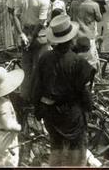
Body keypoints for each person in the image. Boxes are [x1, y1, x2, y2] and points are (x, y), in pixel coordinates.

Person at [31, 15, 95, 166]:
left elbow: (37, 88)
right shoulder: (78, 62)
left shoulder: (45, 58)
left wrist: (38, 110)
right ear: (71, 39)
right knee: (77, 154)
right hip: (72, 115)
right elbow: (83, 91)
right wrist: (89, 106)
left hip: (51, 114)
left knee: (57, 151)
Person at [15, 0, 51, 102]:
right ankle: (36, 96)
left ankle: (25, 96)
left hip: (25, 32)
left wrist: (22, 35)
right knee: (40, 67)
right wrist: (31, 37)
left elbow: (15, 16)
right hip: (39, 36)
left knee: (26, 67)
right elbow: (41, 22)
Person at [0, 67, 24, 166]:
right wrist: (19, 128)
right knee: (10, 161)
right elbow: (8, 125)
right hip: (7, 136)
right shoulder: (3, 104)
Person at [70, 0, 102, 69]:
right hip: (89, 36)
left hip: (76, 36)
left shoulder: (73, 3)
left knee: (77, 60)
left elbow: (71, 17)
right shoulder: (94, 5)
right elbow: (99, 19)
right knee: (91, 61)